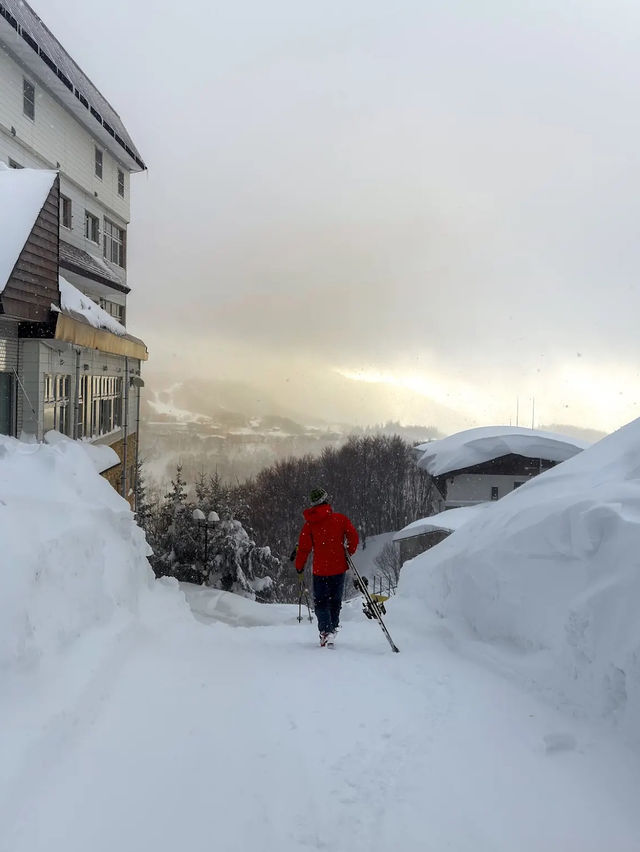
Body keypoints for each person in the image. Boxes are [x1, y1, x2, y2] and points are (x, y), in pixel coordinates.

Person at [294, 487, 359, 646]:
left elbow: (304, 548)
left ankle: (325, 631)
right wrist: (347, 552)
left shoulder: (310, 525)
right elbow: (353, 537)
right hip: (338, 567)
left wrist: (299, 566)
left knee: (321, 602)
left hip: (320, 569)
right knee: (335, 601)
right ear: (326, 500)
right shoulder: (340, 519)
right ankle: (333, 627)